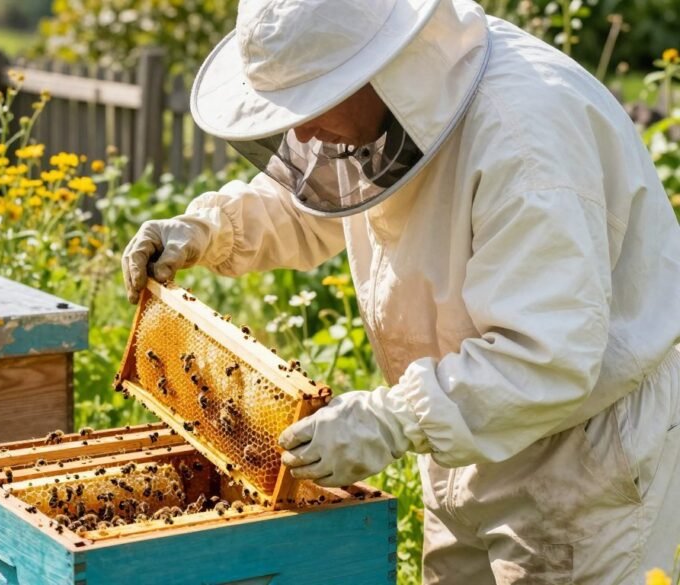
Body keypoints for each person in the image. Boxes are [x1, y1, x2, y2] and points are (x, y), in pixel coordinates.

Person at [120, 0, 680, 582]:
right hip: (458, 428)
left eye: (313, 102)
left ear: (375, 66)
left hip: (579, 458)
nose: (300, 131)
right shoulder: (398, 102)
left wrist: (390, 420)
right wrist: (210, 229)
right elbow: (313, 198)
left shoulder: (525, 141)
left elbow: (547, 358)